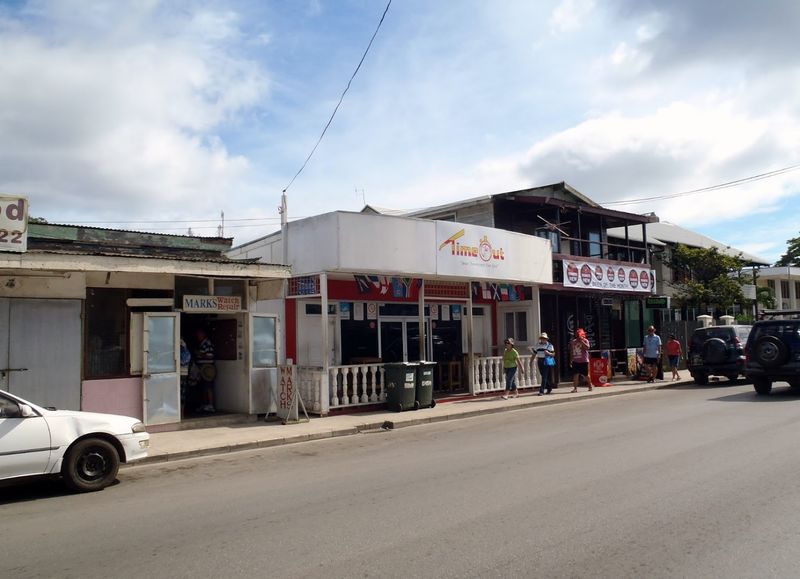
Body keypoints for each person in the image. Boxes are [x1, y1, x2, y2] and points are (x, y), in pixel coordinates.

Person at [194, 327, 216, 413]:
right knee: (203, 387)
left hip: (207, 369)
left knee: (208, 387)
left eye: (199, 334)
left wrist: (199, 353)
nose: (197, 336)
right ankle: (204, 404)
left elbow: (210, 356)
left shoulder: (207, 343)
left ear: (203, 334)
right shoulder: (201, 344)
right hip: (201, 369)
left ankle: (210, 405)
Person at [569, 328, 592, 393]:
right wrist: (571, 359)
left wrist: (581, 341)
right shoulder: (573, 342)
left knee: (586, 375)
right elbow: (571, 351)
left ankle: (590, 386)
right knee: (575, 374)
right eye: (578, 335)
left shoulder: (585, 340)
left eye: (580, 335)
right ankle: (575, 388)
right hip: (575, 360)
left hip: (584, 360)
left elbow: (587, 348)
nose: (579, 336)